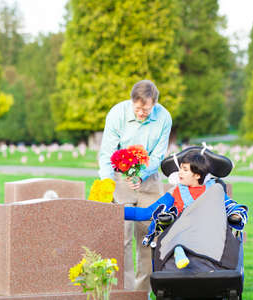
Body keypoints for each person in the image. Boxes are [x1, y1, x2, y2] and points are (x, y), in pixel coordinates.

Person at [98, 80, 172, 292]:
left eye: (146, 109)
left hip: (149, 181)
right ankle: (123, 293)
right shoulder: (117, 113)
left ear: (154, 104)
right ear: (132, 102)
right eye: (137, 108)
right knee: (121, 239)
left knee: (149, 238)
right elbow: (107, 152)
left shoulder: (164, 117)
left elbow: (158, 155)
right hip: (120, 179)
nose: (141, 113)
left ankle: (142, 294)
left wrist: (143, 174)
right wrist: (107, 182)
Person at [124, 151, 248, 261]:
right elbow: (148, 212)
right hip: (183, 233)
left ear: (197, 175)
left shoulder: (213, 189)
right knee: (173, 229)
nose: (180, 173)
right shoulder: (175, 192)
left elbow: (230, 205)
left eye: (185, 170)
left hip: (209, 233)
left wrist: (236, 215)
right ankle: (179, 251)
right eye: (180, 169)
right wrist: (117, 211)